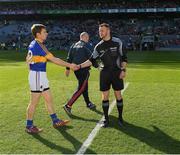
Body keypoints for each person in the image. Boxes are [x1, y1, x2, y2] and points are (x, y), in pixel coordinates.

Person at [25, 24, 79, 133]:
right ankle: (29, 126)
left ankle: (55, 121)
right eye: (44, 32)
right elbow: (54, 59)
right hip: (37, 76)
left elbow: (27, 59)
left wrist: (30, 65)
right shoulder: (38, 45)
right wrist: (70, 65)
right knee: (34, 102)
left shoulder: (36, 43)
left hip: (40, 75)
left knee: (49, 99)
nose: (47, 33)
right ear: (38, 34)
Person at [78, 23, 128, 127]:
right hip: (104, 73)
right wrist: (79, 66)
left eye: (102, 30)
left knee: (118, 95)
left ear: (108, 31)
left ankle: (120, 118)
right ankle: (106, 118)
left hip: (116, 72)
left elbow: (124, 57)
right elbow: (91, 60)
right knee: (104, 96)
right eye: (99, 31)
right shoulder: (98, 46)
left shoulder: (117, 42)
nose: (100, 32)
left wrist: (123, 70)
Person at [63, 32, 96, 115]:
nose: (88, 39)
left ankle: (88, 103)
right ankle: (68, 105)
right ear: (84, 37)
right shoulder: (86, 45)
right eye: (87, 37)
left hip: (76, 70)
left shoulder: (73, 45)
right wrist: (98, 66)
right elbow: (92, 57)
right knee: (81, 88)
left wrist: (67, 69)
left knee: (84, 87)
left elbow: (69, 58)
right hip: (83, 69)